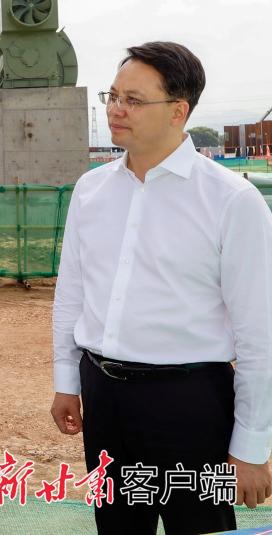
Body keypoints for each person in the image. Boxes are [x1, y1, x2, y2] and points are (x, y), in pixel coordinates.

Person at [50, 42, 272, 534]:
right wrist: (67, 381)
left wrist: (251, 447)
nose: (116, 109)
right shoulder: (91, 191)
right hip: (104, 397)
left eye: (133, 100)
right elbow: (72, 295)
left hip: (190, 405)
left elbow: (260, 333)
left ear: (178, 111)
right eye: (113, 96)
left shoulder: (232, 201)